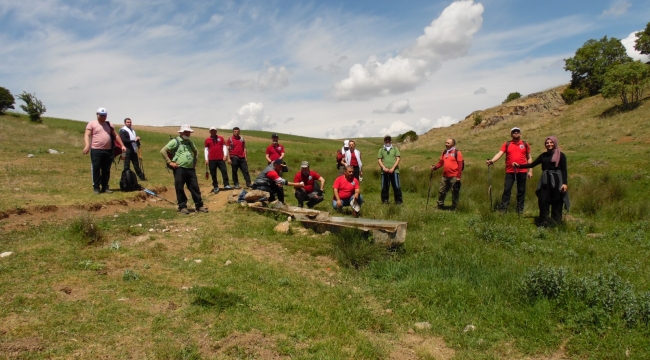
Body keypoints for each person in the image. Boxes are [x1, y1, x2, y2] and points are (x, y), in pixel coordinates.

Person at [512, 136, 569, 226]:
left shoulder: (561, 155)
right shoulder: (543, 155)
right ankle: (543, 222)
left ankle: (556, 223)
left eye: (551, 142)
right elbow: (532, 164)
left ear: (555, 143)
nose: (549, 144)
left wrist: (565, 183)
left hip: (557, 180)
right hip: (545, 181)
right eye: (547, 143)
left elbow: (564, 170)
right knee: (543, 200)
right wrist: (519, 166)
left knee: (557, 201)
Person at [160, 124, 208, 214]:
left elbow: (196, 151)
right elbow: (163, 151)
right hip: (179, 168)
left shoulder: (190, 142)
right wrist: (170, 162)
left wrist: (194, 163)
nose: (188, 133)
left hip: (190, 169)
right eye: (186, 132)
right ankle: (182, 206)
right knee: (179, 187)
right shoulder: (175, 141)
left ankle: (199, 205)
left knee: (195, 187)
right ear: (181, 132)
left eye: (189, 132)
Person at [486, 127, 533, 214]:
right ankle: (503, 209)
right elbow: (499, 153)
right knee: (507, 190)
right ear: (511, 134)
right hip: (510, 171)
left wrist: (530, 171)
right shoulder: (507, 144)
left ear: (520, 134)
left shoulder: (525, 144)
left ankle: (520, 210)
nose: (516, 133)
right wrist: (492, 161)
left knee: (521, 191)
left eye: (517, 132)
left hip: (522, 171)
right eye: (514, 132)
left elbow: (529, 157)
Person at [82, 107, 127, 194]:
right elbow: (87, 135)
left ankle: (105, 187)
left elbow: (116, 136)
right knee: (96, 168)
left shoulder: (109, 124)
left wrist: (122, 145)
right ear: (97, 114)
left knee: (106, 169)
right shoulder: (92, 124)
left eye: (104, 115)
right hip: (96, 150)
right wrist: (87, 145)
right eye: (101, 115)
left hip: (108, 151)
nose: (103, 117)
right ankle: (96, 187)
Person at [431, 138, 463, 210]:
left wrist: (458, 177)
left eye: (448, 143)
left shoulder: (457, 152)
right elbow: (441, 162)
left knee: (454, 192)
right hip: (445, 176)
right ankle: (440, 205)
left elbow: (460, 165)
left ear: (453, 144)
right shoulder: (444, 152)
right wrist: (435, 167)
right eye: (445, 143)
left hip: (454, 176)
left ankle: (455, 207)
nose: (446, 144)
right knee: (441, 191)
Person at [204, 126, 230, 193]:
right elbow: (206, 150)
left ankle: (226, 184)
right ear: (210, 132)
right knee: (213, 173)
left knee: (224, 171)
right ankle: (215, 186)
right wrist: (206, 159)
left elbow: (224, 147)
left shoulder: (220, 138)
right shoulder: (207, 140)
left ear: (216, 131)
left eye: (214, 130)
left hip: (220, 158)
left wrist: (225, 155)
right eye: (211, 130)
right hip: (211, 159)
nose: (213, 132)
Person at [377, 135, 403, 204]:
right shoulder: (381, 150)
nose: (387, 141)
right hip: (384, 171)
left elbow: (398, 159)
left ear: (391, 141)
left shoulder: (395, 149)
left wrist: (393, 168)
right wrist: (384, 168)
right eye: (386, 140)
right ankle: (385, 201)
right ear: (384, 141)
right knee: (384, 187)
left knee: (396, 186)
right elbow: (379, 160)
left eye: (389, 140)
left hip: (394, 171)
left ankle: (398, 201)